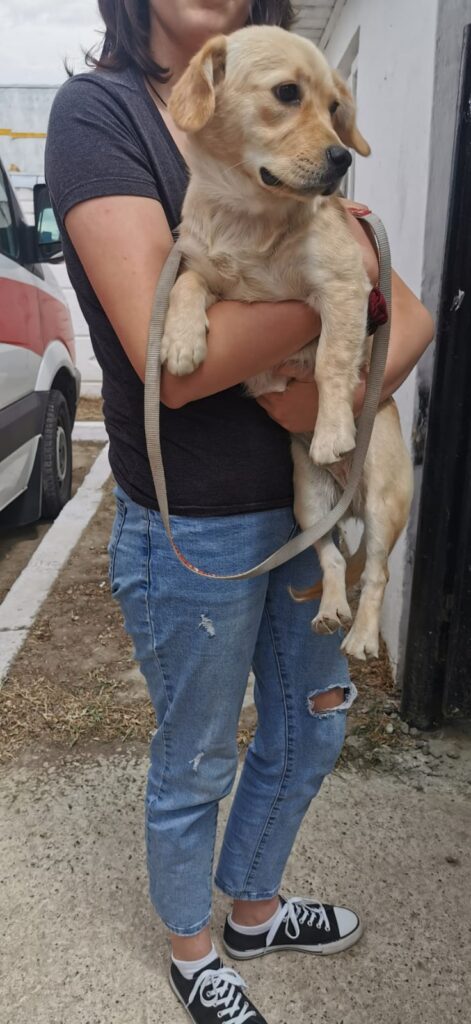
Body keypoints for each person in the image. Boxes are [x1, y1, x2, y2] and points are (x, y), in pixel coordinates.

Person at [45, 2, 434, 1021]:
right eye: (290, 101)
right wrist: (335, 293)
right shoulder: (101, 115)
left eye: (326, 108)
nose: (319, 131)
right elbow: (173, 368)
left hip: (311, 505)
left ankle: (254, 908)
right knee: (200, 752)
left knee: (311, 729)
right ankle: (192, 944)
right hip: (200, 521)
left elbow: (410, 319)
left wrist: (329, 394)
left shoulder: (298, 145)